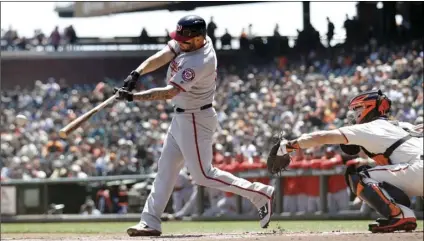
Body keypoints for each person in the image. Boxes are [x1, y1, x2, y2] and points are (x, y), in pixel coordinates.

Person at [114, 15, 275, 237]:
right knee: (166, 170)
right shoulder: (188, 44)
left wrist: (133, 97)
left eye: (185, 40)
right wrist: (137, 73)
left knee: (203, 175)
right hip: (181, 117)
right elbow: (164, 54)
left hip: (196, 119)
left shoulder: (200, 60)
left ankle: (259, 194)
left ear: (200, 39)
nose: (180, 43)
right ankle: (149, 221)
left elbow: (170, 92)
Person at [268, 89, 423, 233]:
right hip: (416, 170)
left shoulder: (370, 127)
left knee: (358, 175)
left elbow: (323, 137)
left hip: (417, 170)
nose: (354, 113)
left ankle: (400, 215)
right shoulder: (404, 126)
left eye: (357, 108)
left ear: (367, 107)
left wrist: (289, 146)